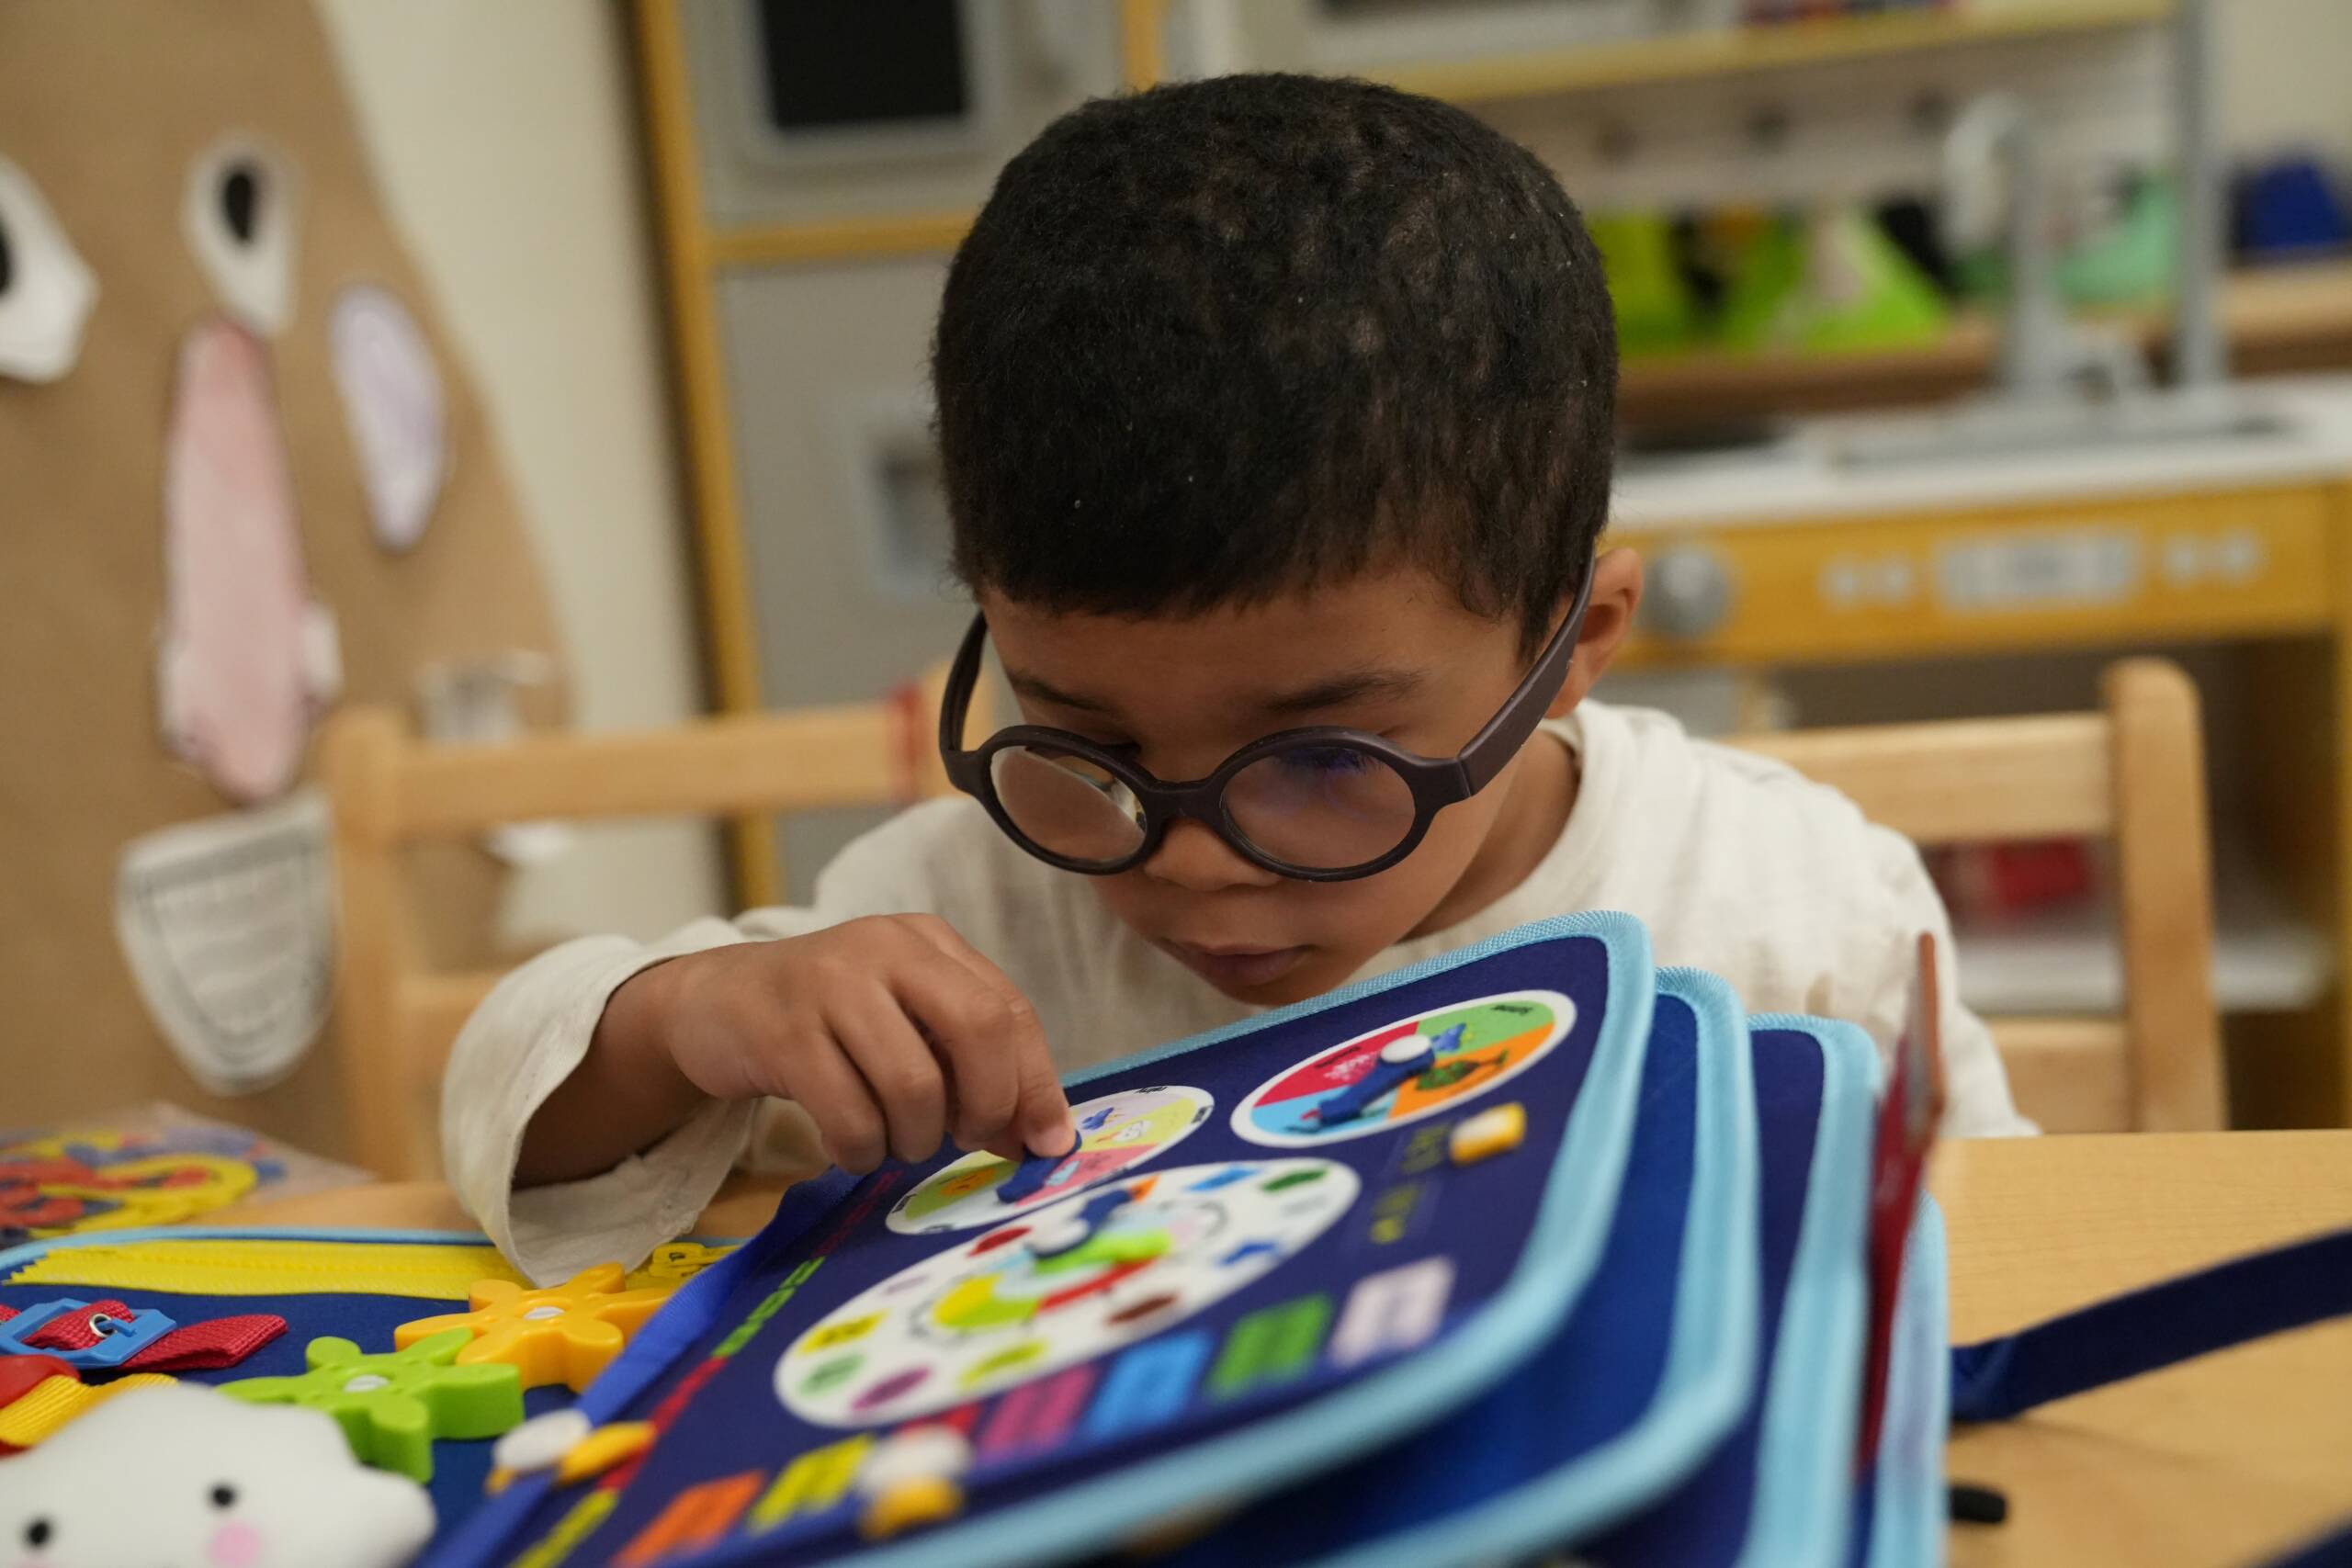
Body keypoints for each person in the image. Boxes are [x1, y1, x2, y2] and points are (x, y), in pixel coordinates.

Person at [447, 73, 2026, 1283]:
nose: (1191, 865)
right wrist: (692, 1016)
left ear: (1574, 646)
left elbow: (1995, 1258)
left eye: (1329, 760)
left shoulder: (1787, 906)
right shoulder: (963, 912)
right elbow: (518, 1114)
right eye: (1083, 742)